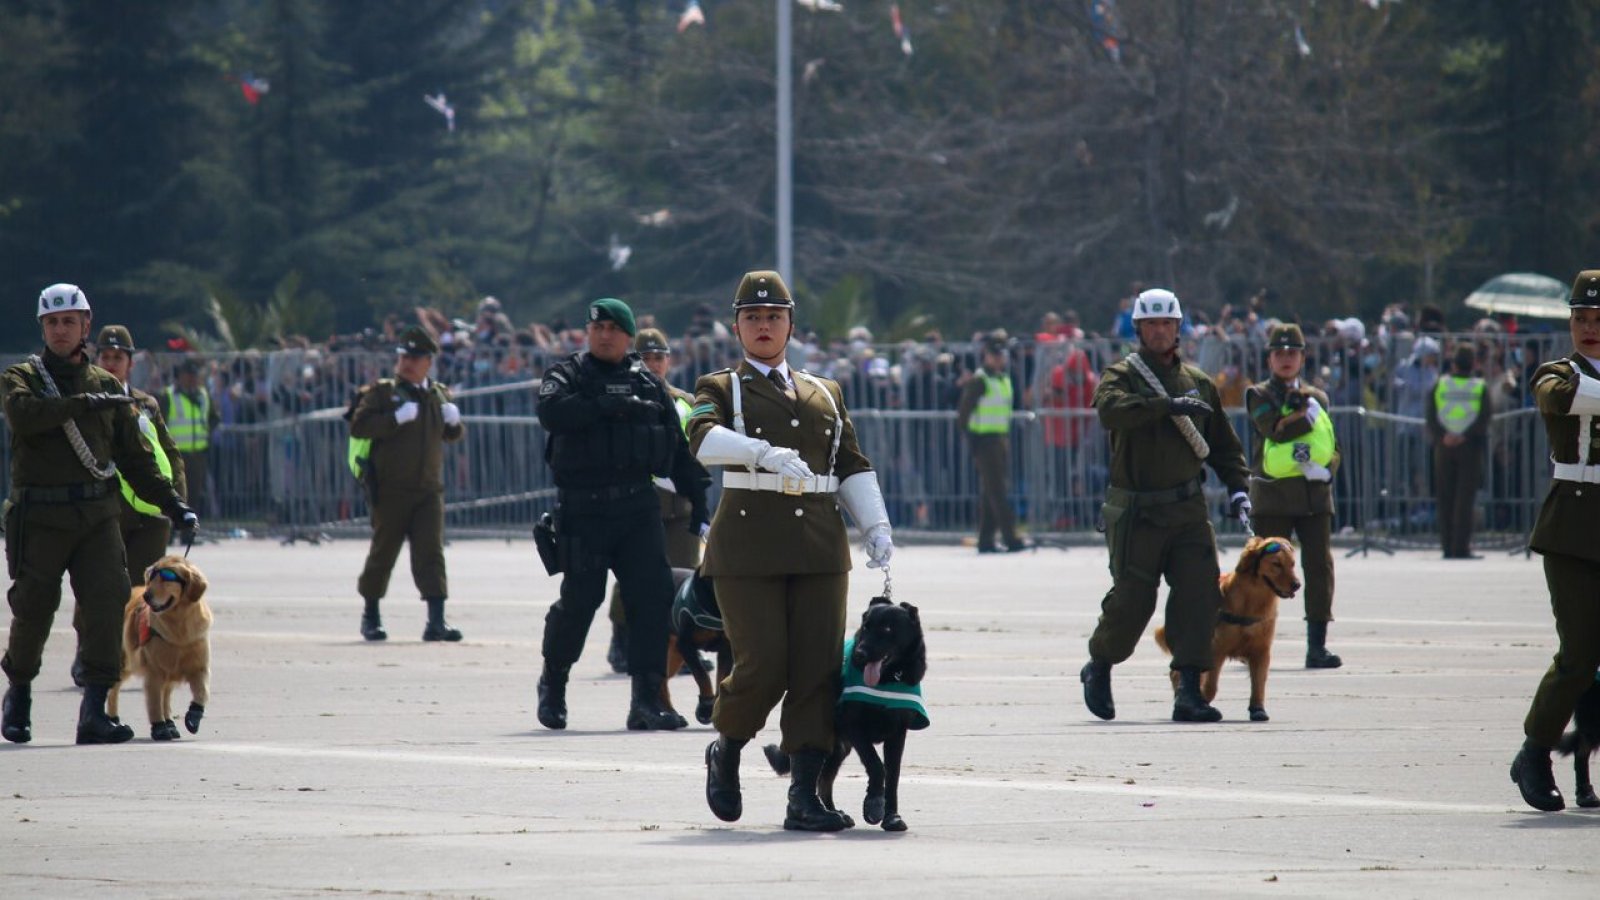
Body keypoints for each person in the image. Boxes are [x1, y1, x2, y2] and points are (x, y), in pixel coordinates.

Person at [692, 270, 893, 832]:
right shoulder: (720, 386)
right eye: (752, 317)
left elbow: (850, 462)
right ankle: (727, 748)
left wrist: (875, 524)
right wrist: (760, 453)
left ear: (790, 324)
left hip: (820, 548)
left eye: (773, 316)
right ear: (736, 325)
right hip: (748, 547)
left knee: (817, 672)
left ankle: (805, 794)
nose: (763, 325)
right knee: (762, 665)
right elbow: (701, 438)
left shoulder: (825, 391)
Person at [2, 284, 196, 746]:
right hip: (41, 517)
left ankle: (94, 710)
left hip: (95, 516)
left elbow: (137, 461)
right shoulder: (22, 378)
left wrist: (174, 504)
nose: (61, 330)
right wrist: (82, 405)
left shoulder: (108, 386)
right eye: (52, 323)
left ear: (85, 325)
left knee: (109, 604)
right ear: (42, 328)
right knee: (33, 609)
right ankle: (19, 692)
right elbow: (24, 416)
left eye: (69, 321)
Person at [534, 298, 710, 732]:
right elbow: (550, 412)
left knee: (651, 602)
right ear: (587, 332)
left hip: (636, 508)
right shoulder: (567, 374)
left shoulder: (647, 384)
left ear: (629, 337)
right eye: (598, 327)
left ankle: (647, 700)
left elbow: (675, 447)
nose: (605, 334)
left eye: (614, 328)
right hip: (584, 510)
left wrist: (700, 499)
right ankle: (553, 683)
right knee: (581, 601)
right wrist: (602, 405)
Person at [1080, 288, 1251, 724]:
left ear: (1179, 329)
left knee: (1199, 597)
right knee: (1133, 601)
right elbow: (1112, 412)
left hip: (1187, 510)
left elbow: (1223, 447)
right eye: (1151, 324)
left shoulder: (1199, 383)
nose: (1159, 331)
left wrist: (1237, 488)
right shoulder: (1121, 375)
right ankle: (1100, 663)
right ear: (1139, 329)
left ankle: (1189, 688)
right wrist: (1165, 406)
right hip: (1138, 512)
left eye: (1167, 324)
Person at [1509, 269, 1600, 812]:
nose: (1590, 329)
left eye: (1599, 320)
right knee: (1579, 654)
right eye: (1582, 319)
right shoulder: (1556, 371)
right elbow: (1557, 399)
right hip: (1572, 526)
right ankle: (1536, 750)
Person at [66, 324, 190, 686]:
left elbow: (169, 453)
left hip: (150, 513)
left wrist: (177, 500)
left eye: (118, 358)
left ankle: (124, 654)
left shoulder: (145, 405)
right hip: (107, 511)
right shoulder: (85, 402)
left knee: (143, 587)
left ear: (129, 363)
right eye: (105, 357)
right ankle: (86, 649)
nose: (111, 363)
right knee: (98, 583)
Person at [349, 326, 467, 642]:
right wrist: (394, 419)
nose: (407, 363)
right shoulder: (382, 393)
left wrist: (455, 422)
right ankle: (370, 616)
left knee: (431, 553)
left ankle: (436, 621)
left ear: (428, 361)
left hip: (429, 489)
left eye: (415, 358)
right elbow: (358, 426)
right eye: (404, 357)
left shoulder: (438, 394)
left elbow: (450, 436)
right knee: (383, 553)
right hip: (390, 490)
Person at [604, 328, 710, 673]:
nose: (653, 364)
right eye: (645, 358)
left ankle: (683, 646)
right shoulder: (621, 398)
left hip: (680, 506)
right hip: (638, 501)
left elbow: (699, 448)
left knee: (685, 578)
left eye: (659, 357)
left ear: (669, 360)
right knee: (632, 576)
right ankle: (621, 640)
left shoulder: (685, 401)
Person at [1244, 323, 1343, 669]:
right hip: (1274, 498)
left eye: (1292, 353)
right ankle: (1252, 639)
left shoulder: (1320, 397)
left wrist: (1328, 470)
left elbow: (1330, 443)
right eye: (1279, 353)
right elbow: (1273, 430)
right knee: (1262, 571)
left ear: (1303, 357)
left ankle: (1317, 645)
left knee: (1319, 567)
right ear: (1269, 358)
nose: (1286, 359)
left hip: (1314, 497)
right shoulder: (1258, 394)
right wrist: (1304, 414)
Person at [956, 335, 1026, 553]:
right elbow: (964, 413)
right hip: (984, 441)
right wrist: (972, 442)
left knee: (990, 491)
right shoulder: (980, 380)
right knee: (998, 490)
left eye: (1000, 355)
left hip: (999, 439)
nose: (998, 359)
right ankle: (1010, 537)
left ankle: (986, 539)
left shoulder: (1003, 379)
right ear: (986, 356)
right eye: (994, 355)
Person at [1426, 343, 1489, 559]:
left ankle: (1446, 546)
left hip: (1443, 447)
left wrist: (1443, 436)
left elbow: (1430, 414)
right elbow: (1484, 417)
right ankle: (1460, 547)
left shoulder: (1440, 384)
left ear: (1453, 363)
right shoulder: (1479, 386)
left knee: (1445, 498)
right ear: (1473, 363)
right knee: (1465, 499)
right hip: (1469, 447)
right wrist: (1464, 435)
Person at [160, 356, 218, 520]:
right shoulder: (169, 396)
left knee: (194, 495)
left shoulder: (203, 396)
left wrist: (206, 431)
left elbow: (214, 417)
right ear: (180, 376)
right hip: (175, 455)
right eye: (188, 375)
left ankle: (188, 532)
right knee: (174, 494)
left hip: (197, 454)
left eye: (195, 375)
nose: (192, 378)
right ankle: (170, 533)